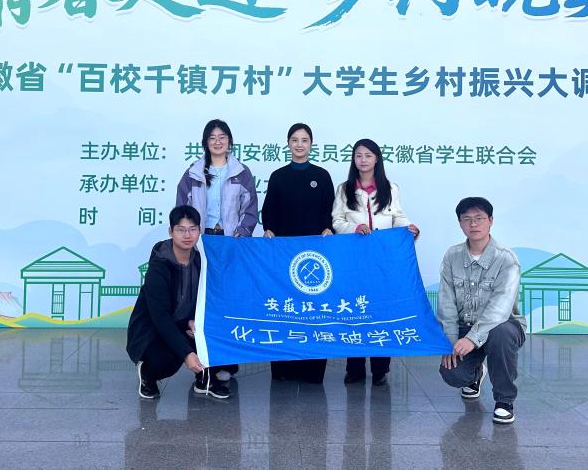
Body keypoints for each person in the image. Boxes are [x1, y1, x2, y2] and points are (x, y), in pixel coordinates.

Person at [331, 138, 420, 386]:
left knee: (381, 310)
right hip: (355, 261)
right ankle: (355, 368)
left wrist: (409, 229)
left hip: (383, 262)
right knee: (355, 311)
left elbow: (398, 218)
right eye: (358, 155)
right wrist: (354, 228)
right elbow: (336, 221)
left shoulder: (390, 188)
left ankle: (381, 368)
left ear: (376, 159)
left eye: (368, 155)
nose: (363, 160)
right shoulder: (344, 189)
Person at [176, 118, 257, 381]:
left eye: (222, 137)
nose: (217, 141)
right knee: (200, 301)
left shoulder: (241, 172)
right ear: (205, 142)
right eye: (212, 137)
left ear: (229, 141)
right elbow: (182, 209)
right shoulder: (193, 173)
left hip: (229, 243)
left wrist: (241, 233)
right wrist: (189, 235)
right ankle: (202, 362)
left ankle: (227, 364)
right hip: (201, 242)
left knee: (227, 301)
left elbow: (250, 209)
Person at [438, 197, 527, 424]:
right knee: (452, 373)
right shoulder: (452, 256)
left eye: (479, 218)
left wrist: (473, 338)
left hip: (503, 325)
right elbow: (446, 301)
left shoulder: (506, 259)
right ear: (460, 223)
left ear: (491, 221)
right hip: (464, 325)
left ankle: (504, 400)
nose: (473, 224)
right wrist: (450, 340)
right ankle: (476, 374)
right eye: (467, 219)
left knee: (500, 334)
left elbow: (501, 307)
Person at [126, 205, 230, 400]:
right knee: (167, 360)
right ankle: (147, 374)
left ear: (200, 230)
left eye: (192, 229)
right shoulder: (159, 266)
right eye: (181, 230)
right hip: (153, 330)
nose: (187, 235)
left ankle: (204, 379)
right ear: (171, 231)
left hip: (184, 324)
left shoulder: (201, 260)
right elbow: (160, 317)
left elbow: (207, 298)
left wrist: (194, 321)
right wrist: (186, 353)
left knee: (217, 333)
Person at [262, 122, 335, 383]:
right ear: (288, 144)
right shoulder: (278, 176)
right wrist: (269, 229)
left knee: (314, 310)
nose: (299, 144)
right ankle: (283, 368)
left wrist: (329, 228)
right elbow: (268, 211)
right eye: (295, 140)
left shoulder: (322, 176)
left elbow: (331, 211)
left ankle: (313, 369)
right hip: (284, 255)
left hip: (316, 256)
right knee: (285, 308)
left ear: (311, 144)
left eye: (304, 140)